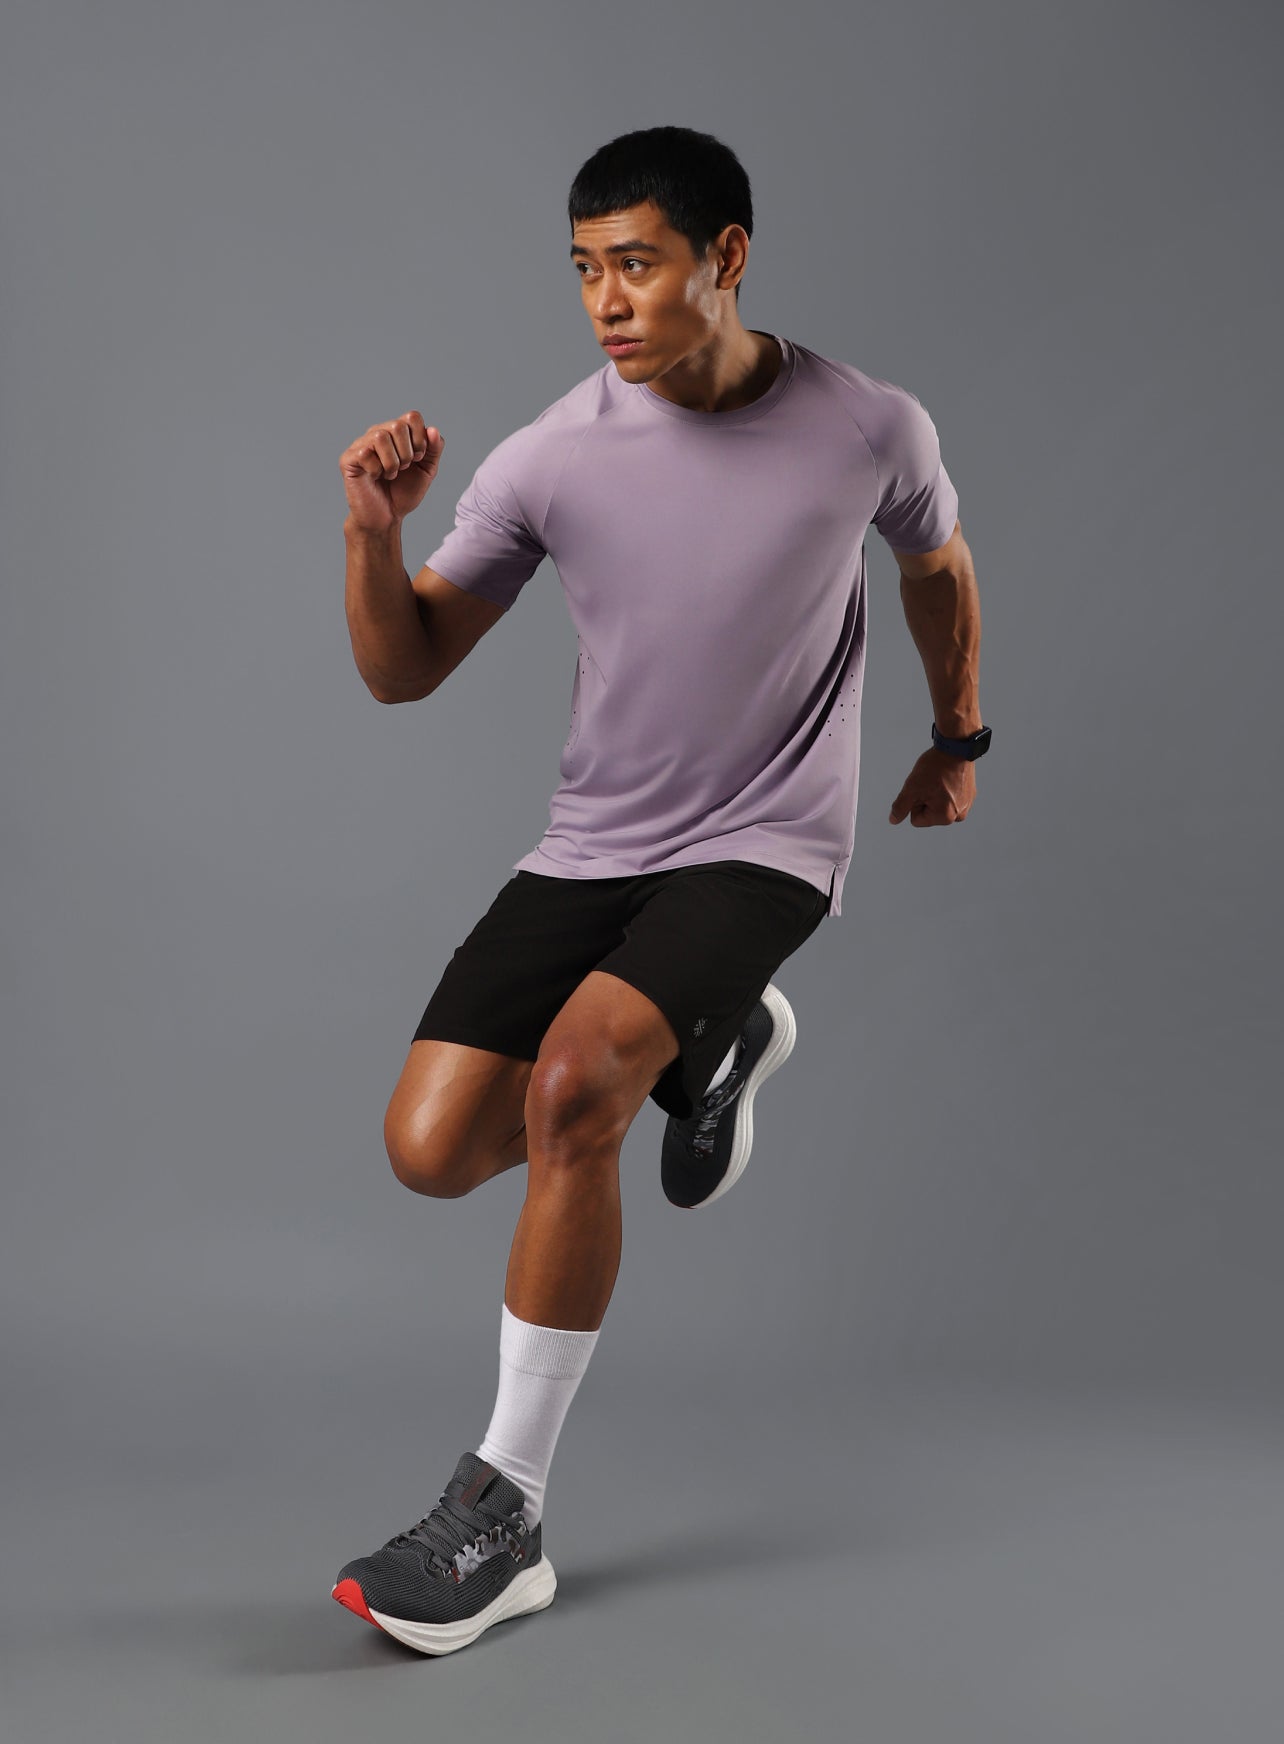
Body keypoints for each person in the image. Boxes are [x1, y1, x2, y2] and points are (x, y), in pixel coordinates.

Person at [331, 125, 989, 1656]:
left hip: (769, 840)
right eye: (584, 271)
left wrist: (959, 736)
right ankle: (715, 1040)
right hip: (592, 844)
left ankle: (503, 1512)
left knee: (576, 1091)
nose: (606, 303)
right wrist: (373, 535)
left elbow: (939, 569)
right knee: (430, 1148)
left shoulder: (867, 425)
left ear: (726, 257)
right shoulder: (550, 457)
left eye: (636, 264)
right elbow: (404, 667)